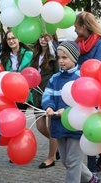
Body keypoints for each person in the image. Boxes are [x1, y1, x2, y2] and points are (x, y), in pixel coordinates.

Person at [42, 41, 100, 183]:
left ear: (74, 58)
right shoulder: (55, 78)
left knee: (73, 163)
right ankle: (91, 178)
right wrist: (48, 106)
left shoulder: (82, 77)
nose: (61, 61)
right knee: (66, 161)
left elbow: (88, 102)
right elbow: (47, 95)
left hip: (76, 126)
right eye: (59, 57)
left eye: (65, 58)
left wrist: (68, 112)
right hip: (59, 125)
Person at [74, 11, 101, 174]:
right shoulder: (78, 43)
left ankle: (93, 165)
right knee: (83, 127)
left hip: (95, 88)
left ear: (84, 27)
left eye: (76, 27)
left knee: (92, 127)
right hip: (81, 88)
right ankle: (92, 162)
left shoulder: (100, 43)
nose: (74, 30)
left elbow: (97, 65)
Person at [31, 34, 59, 169]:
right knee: (40, 127)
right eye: (40, 37)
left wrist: (51, 45)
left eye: (46, 37)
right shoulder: (35, 54)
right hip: (37, 95)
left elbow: (58, 72)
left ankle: (51, 158)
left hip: (50, 95)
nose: (43, 39)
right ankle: (58, 145)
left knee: (52, 128)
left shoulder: (54, 54)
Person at [0, 28, 33, 110]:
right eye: (9, 39)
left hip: (25, 90)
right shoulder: (4, 57)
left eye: (13, 38)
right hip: (10, 91)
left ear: (19, 39)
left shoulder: (29, 54)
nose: (11, 41)